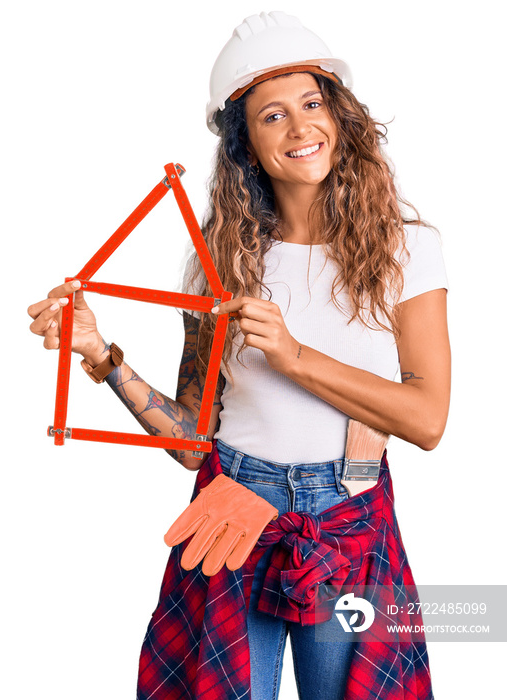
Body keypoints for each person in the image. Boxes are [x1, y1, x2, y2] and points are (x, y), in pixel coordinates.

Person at [28, 11, 450, 700]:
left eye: (312, 104)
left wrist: (293, 356)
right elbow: (193, 440)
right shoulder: (217, 259)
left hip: (350, 516)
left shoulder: (408, 250)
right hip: (233, 503)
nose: (300, 128)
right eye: (272, 115)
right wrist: (101, 355)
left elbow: (428, 419)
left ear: (339, 115)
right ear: (245, 143)